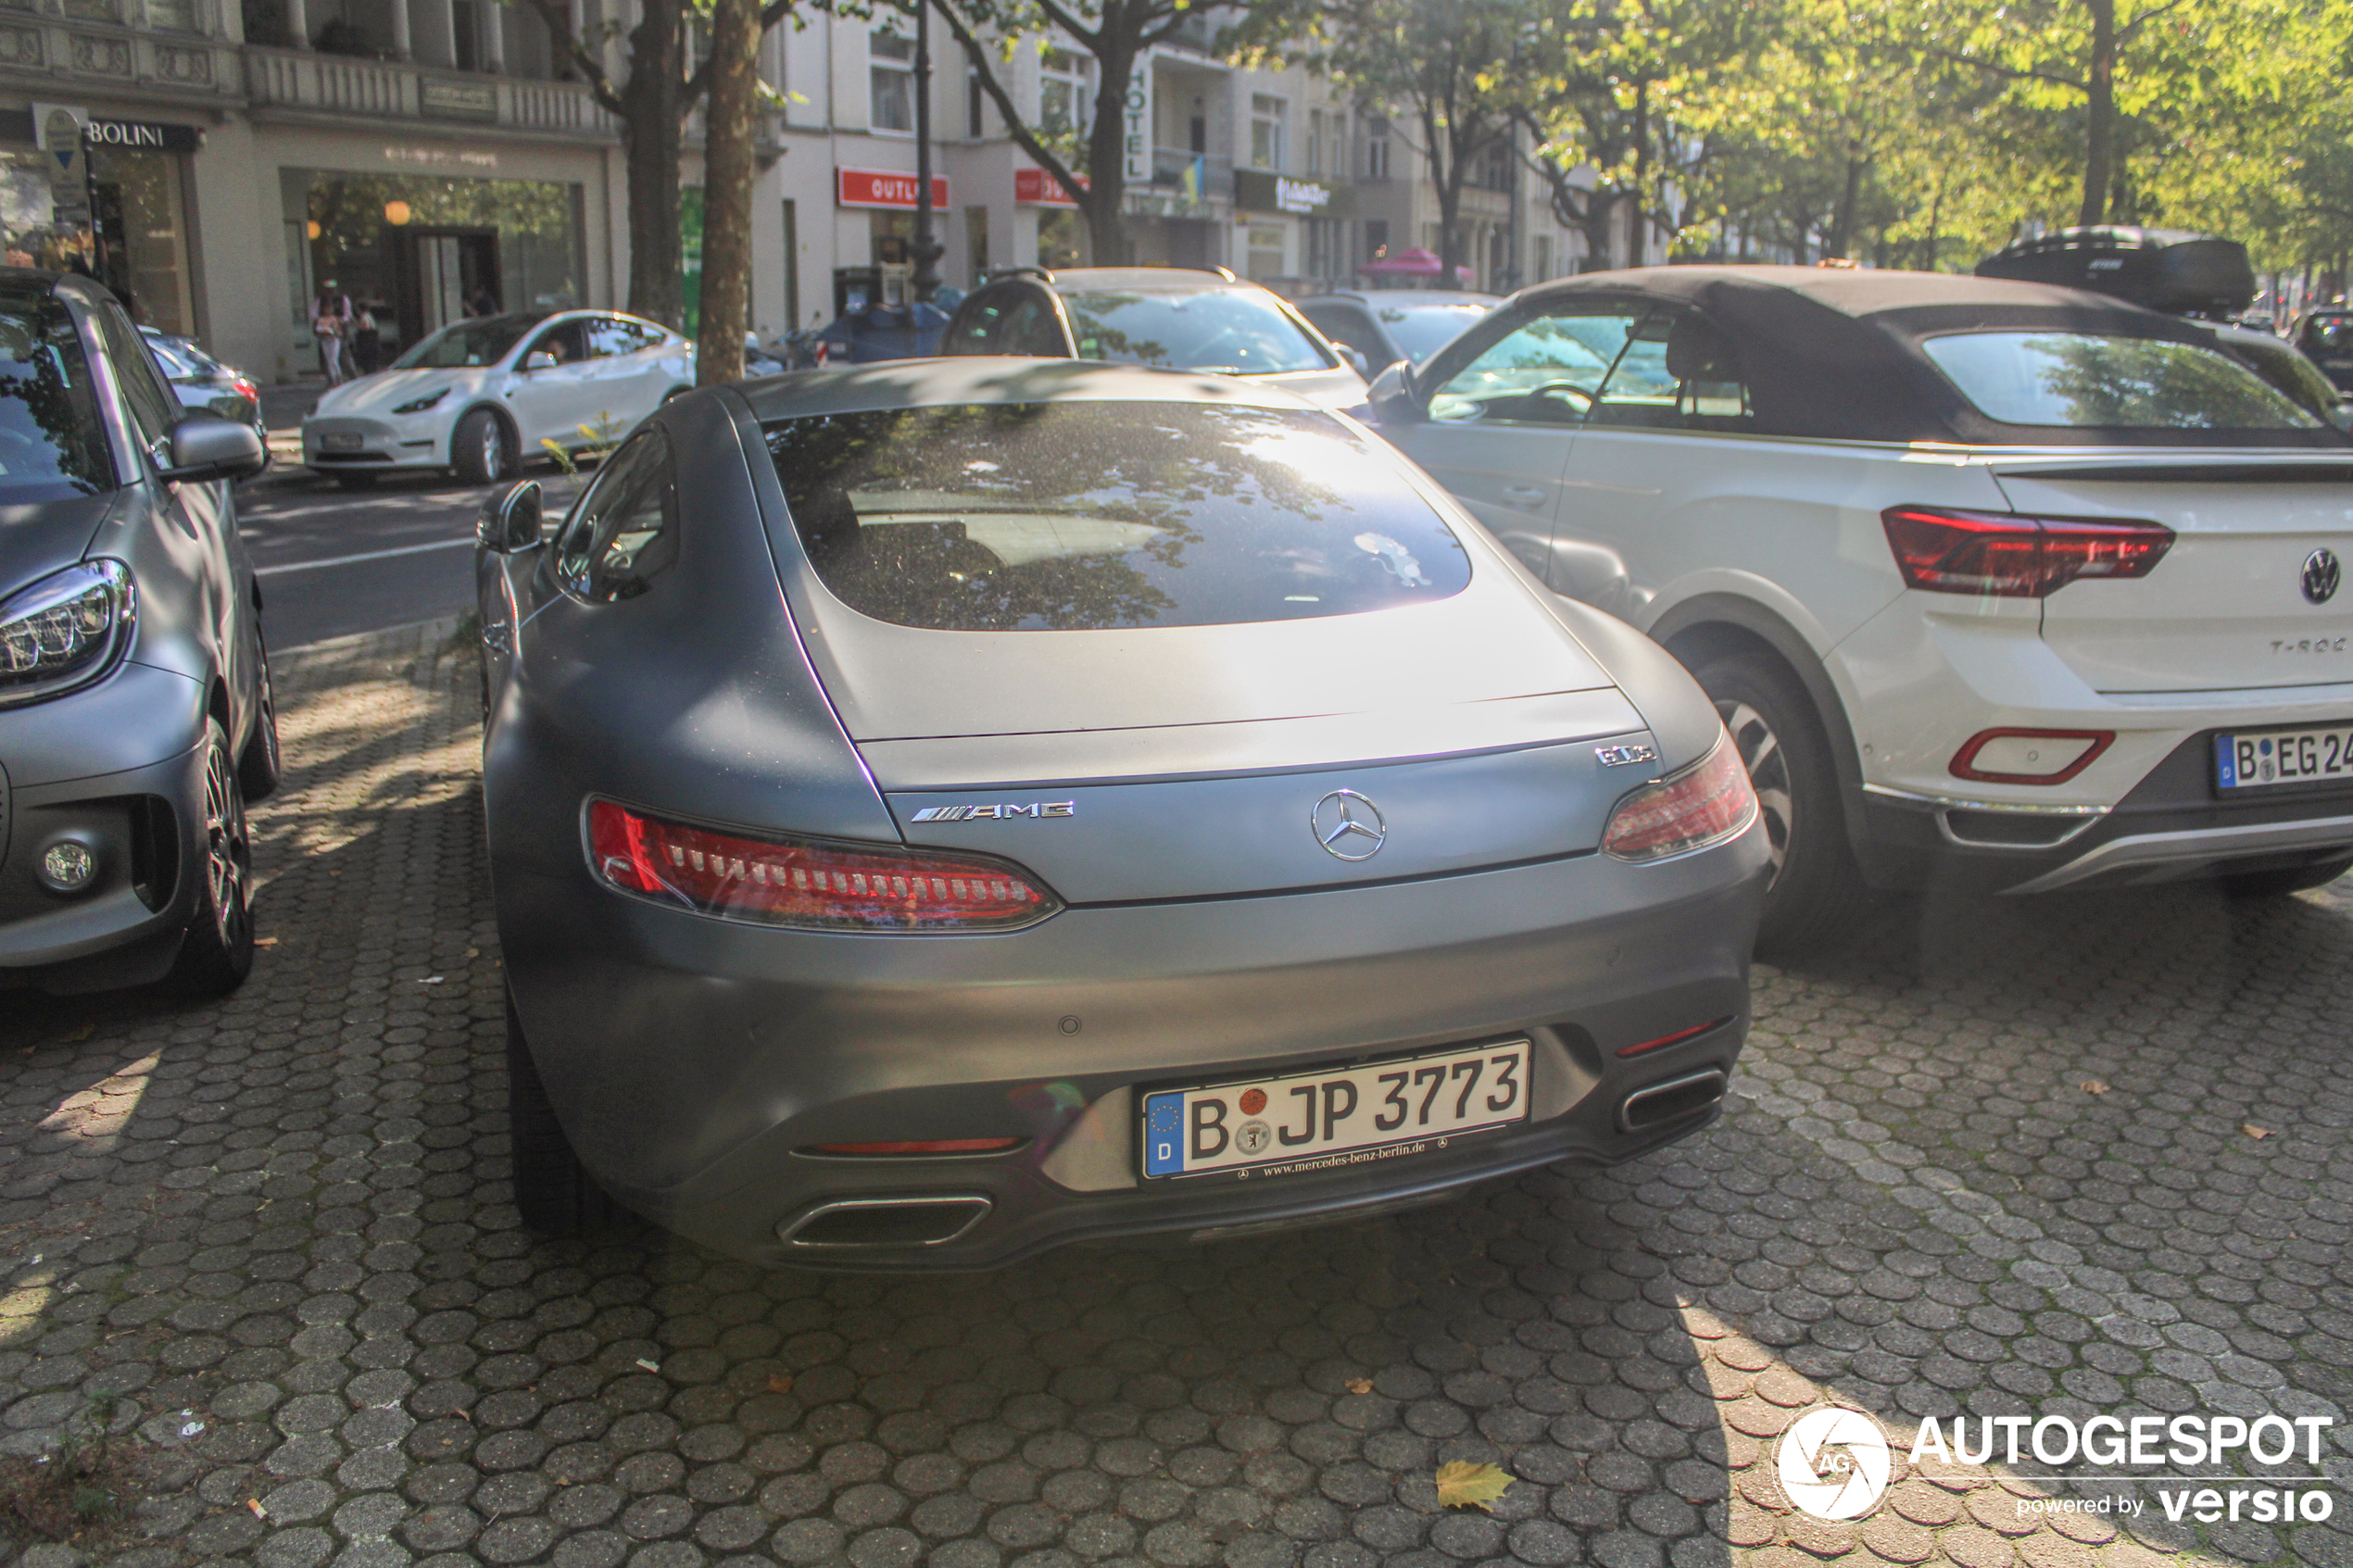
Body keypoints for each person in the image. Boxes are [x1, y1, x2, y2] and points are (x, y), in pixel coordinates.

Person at [310, 279, 356, 385]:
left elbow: (348, 315)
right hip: (325, 333)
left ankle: (352, 378)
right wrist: (323, 321)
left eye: (331, 289)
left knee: (344, 356)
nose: (330, 292)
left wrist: (339, 320)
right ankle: (332, 379)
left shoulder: (343, 299)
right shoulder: (320, 300)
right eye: (328, 289)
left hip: (339, 333)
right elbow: (314, 314)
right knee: (328, 358)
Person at [352, 299, 382, 374]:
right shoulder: (369, 315)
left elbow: (365, 326)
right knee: (371, 362)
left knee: (368, 362)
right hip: (372, 342)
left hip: (367, 342)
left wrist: (356, 324)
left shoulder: (364, 316)